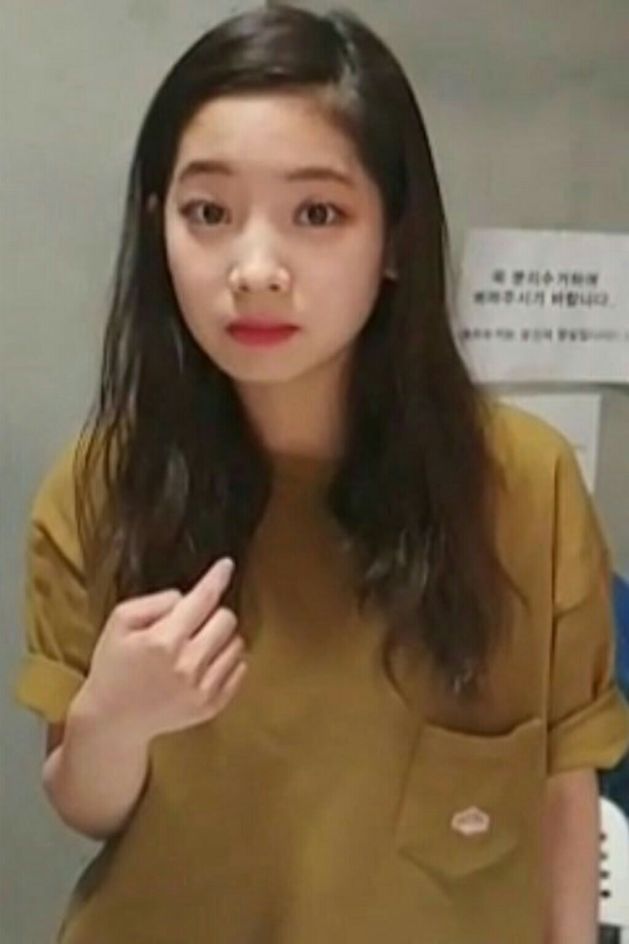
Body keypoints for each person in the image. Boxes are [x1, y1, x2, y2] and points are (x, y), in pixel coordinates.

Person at [14, 5, 629, 943]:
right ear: (158, 227)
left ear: (394, 241)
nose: (256, 269)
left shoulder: (523, 485)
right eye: (208, 213)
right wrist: (113, 716)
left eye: (317, 213)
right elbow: (88, 805)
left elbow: (562, 787)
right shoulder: (102, 487)